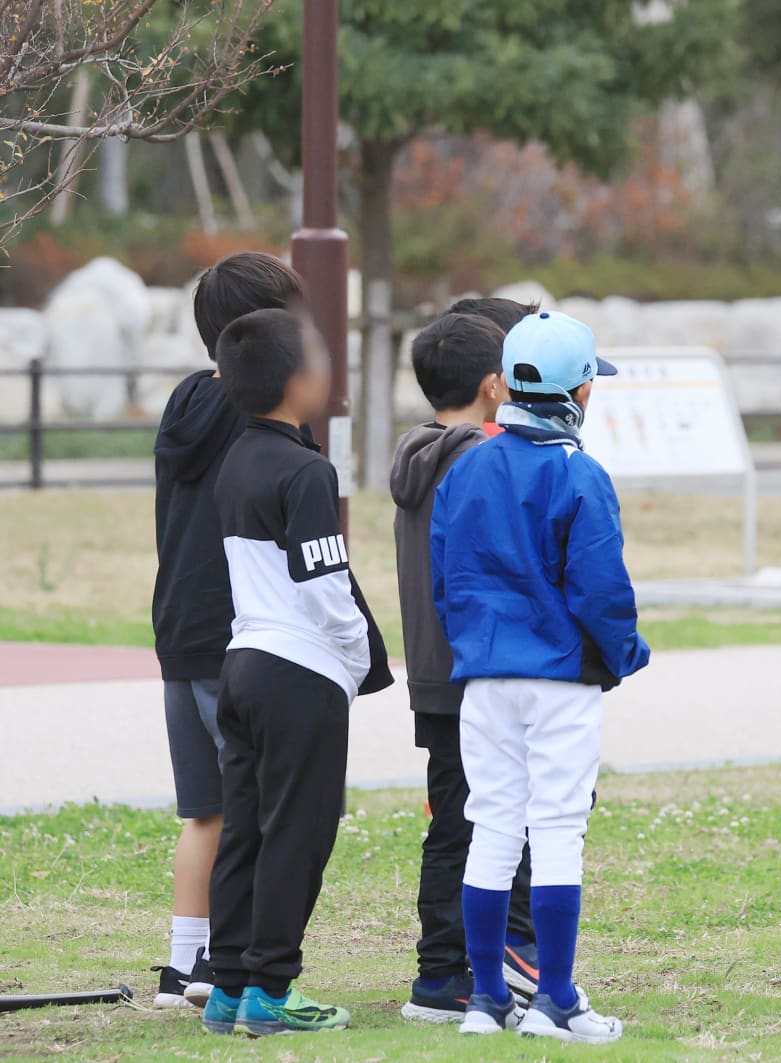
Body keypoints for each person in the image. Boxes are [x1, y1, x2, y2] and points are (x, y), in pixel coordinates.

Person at [431, 310, 651, 1042]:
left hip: (484, 673)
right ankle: (555, 997)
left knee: (491, 825)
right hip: (558, 674)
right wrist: (624, 652)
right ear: (580, 394)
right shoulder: (578, 473)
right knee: (557, 828)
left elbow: (445, 579)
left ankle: (489, 998)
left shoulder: (465, 468)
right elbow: (601, 589)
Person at [200, 308, 393, 1036]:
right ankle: (272, 991)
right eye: (319, 356)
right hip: (299, 672)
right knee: (298, 831)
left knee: (246, 826)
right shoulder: (308, 470)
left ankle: (228, 987)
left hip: (242, 662)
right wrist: (353, 657)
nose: (328, 368)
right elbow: (325, 586)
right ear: (295, 380)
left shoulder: (239, 458)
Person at [149, 252, 304, 1008]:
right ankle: (234, 962)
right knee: (253, 806)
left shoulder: (185, 400)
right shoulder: (258, 412)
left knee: (203, 807)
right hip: (236, 630)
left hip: (177, 626)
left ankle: (186, 963)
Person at [391, 307, 542, 1022]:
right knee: (489, 820)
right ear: (494, 385)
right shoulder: (483, 458)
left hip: (432, 673)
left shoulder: (416, 453)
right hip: (481, 670)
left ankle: (448, 966)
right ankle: (466, 969)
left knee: (454, 817)